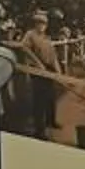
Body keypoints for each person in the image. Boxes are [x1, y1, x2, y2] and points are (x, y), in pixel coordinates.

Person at [13, 8, 67, 140]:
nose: (41, 25)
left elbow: (53, 57)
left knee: (50, 96)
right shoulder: (30, 34)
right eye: (39, 22)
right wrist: (38, 64)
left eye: (43, 23)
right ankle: (39, 130)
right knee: (40, 100)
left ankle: (51, 121)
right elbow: (24, 48)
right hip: (36, 70)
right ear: (35, 23)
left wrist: (59, 73)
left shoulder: (46, 38)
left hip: (48, 69)